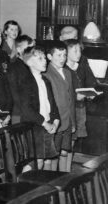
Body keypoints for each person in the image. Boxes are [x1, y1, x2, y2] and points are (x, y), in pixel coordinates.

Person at [21, 46, 60, 170]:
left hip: (47, 125)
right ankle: (24, 186)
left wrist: (56, 121)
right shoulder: (26, 81)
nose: (45, 61)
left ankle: (42, 188)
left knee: (44, 160)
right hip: (35, 126)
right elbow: (27, 109)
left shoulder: (45, 80)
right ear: (29, 62)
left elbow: (52, 104)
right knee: (36, 162)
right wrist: (44, 123)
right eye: (40, 58)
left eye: (44, 58)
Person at [64, 39, 97, 170]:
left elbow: (91, 82)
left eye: (80, 50)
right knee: (67, 142)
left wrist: (90, 93)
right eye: (75, 51)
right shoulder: (64, 68)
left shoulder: (82, 65)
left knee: (73, 140)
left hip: (80, 108)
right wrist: (75, 96)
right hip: (69, 109)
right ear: (66, 52)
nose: (79, 54)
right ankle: (64, 170)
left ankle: (68, 167)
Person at [45, 41, 75, 172]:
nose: (62, 58)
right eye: (58, 55)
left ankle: (62, 182)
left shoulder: (67, 73)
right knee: (52, 156)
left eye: (64, 55)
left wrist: (73, 121)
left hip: (67, 120)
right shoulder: (46, 73)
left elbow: (71, 99)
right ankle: (50, 184)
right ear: (49, 57)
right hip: (56, 121)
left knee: (64, 152)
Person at [7, 35, 34, 124]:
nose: (32, 50)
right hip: (19, 113)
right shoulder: (14, 67)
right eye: (28, 47)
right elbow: (14, 94)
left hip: (31, 112)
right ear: (18, 49)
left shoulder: (31, 66)